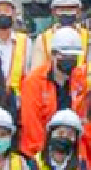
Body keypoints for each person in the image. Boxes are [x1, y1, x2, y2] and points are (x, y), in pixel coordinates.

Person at [20, 27, 83, 156]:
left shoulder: (80, 79)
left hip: (72, 151)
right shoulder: (34, 82)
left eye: (73, 56)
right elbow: (32, 125)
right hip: (39, 153)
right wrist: (45, 157)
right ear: (53, 54)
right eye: (65, 55)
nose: (69, 59)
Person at [34, 0, 89, 73]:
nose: (66, 13)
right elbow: (37, 73)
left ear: (79, 11)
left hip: (80, 84)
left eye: (70, 9)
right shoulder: (42, 39)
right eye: (62, 9)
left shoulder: (89, 37)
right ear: (54, 12)